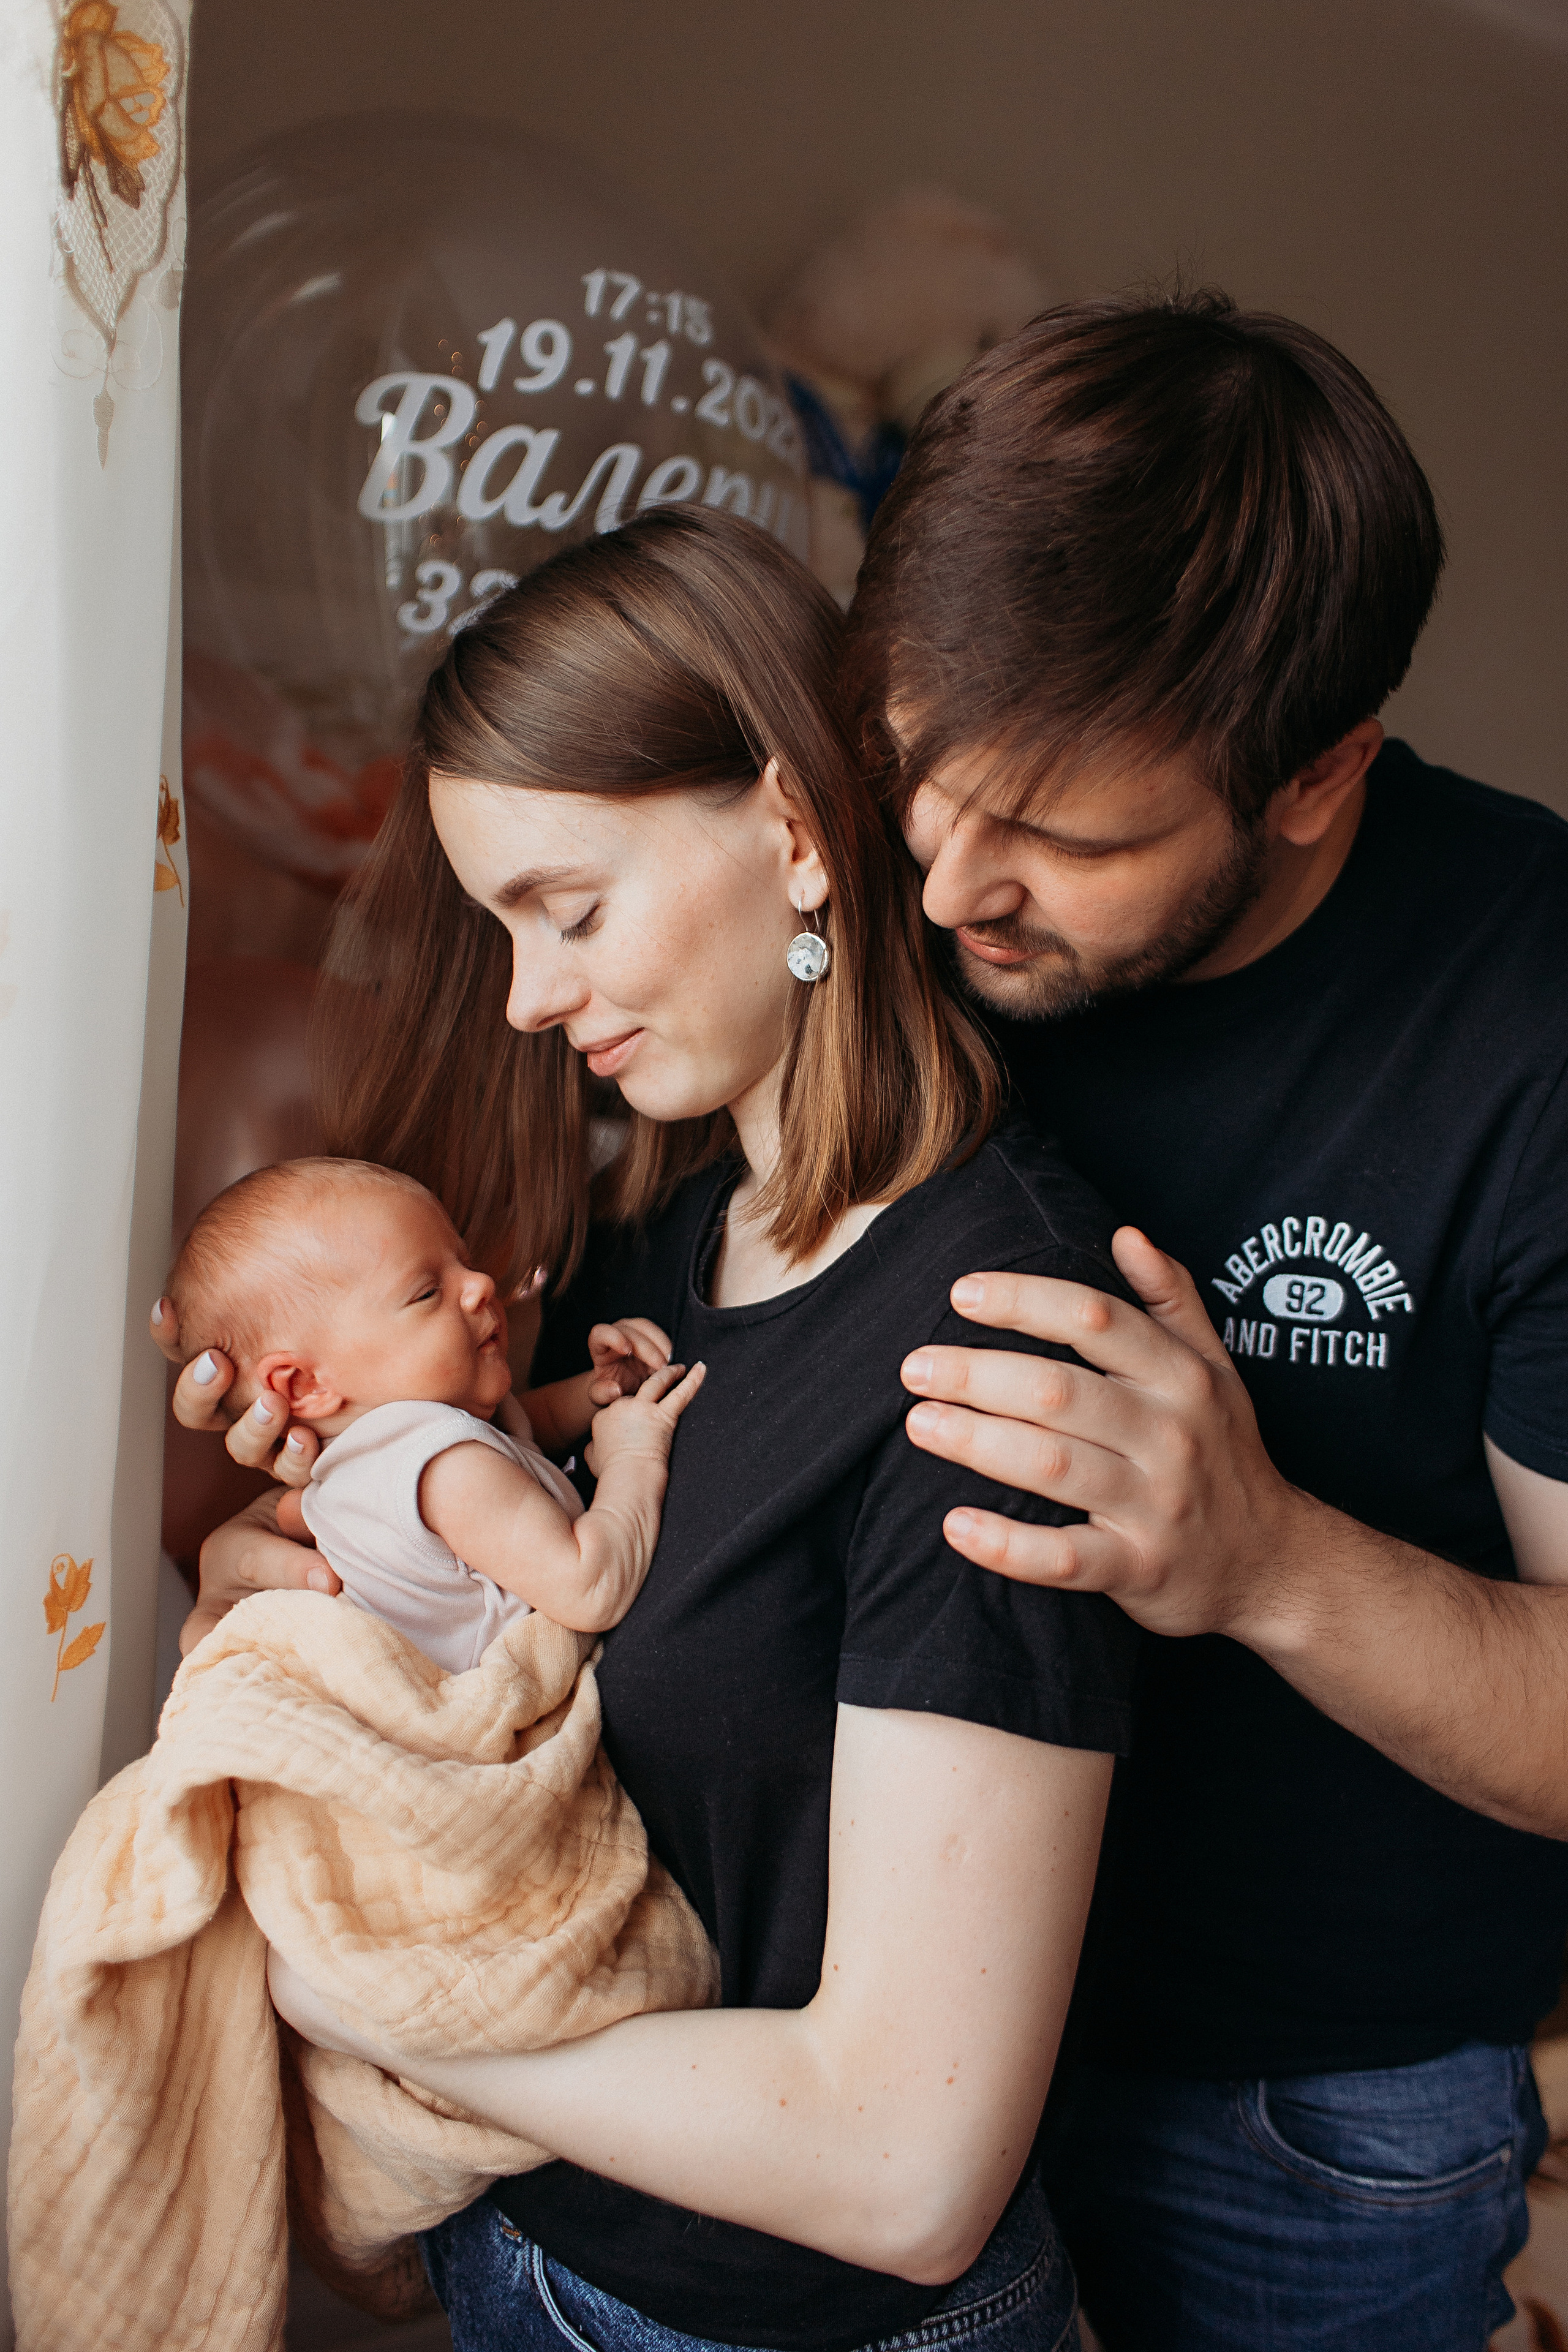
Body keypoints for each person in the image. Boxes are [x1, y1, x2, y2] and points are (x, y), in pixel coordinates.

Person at [154, 507, 1141, 2352]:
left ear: (786, 827)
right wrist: (286, 1576)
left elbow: (905, 2171)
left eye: (572, 910)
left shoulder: (992, 1352)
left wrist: (382, 2012)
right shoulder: (658, 1261)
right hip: (529, 2256)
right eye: (502, 928)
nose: (529, 995)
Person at [841, 289, 1568, 2350]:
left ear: (1316, 776)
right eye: (920, 779)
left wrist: (1262, 1558)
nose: (950, 889)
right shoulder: (879, 889)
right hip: (838, 2010)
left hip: (1294, 2110)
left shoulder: (1529, 1022)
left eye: (1064, 838)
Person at [164, 1155, 701, 1664]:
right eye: (426, 1292)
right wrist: (632, 1456)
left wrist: (596, 1390)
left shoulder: (392, 1455)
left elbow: (523, 1432)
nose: (481, 1285)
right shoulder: (447, 1472)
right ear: (303, 1383)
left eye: (463, 1262)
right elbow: (589, 1588)